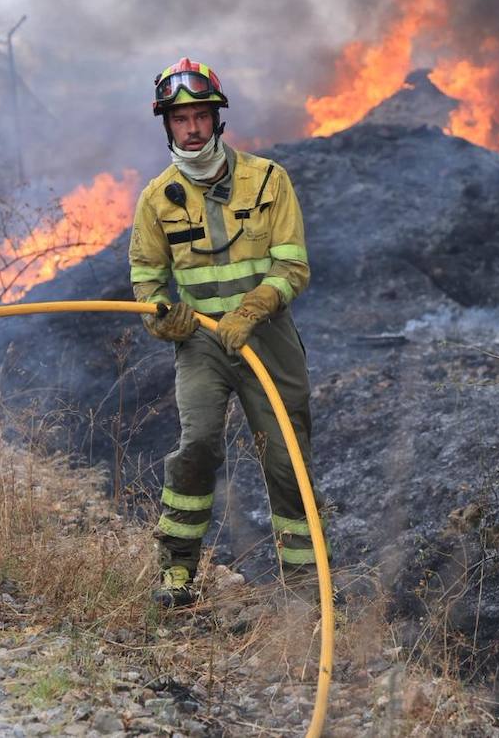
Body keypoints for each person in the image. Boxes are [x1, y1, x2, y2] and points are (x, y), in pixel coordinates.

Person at [128, 57, 322, 609]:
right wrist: (161, 316)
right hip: (202, 345)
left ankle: (304, 588)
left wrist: (253, 308)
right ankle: (176, 574)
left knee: (287, 457)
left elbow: (293, 267)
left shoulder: (267, 180)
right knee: (197, 445)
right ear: (166, 125)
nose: (191, 129)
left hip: (267, 338)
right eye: (180, 118)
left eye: (201, 117)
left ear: (219, 120)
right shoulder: (155, 199)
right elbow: (146, 279)